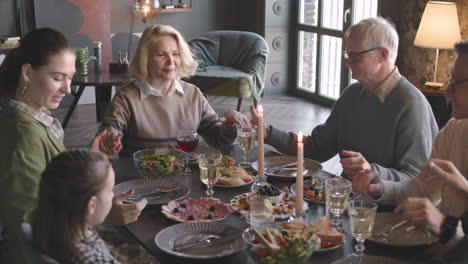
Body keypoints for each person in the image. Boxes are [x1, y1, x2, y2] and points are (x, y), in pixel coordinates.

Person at [0, 28, 145, 262]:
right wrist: (105, 214)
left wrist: (91, 157)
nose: (68, 89)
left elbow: (51, 183)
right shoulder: (22, 135)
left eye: (69, 77)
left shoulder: (27, 117)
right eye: (57, 78)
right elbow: (29, 221)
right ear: (27, 72)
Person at [250, 17, 438, 183]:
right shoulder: (352, 95)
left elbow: (418, 180)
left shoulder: (410, 104)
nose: (347, 63)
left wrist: (373, 172)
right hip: (348, 198)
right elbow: (315, 150)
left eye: (355, 57)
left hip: (389, 212)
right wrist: (267, 133)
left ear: (383, 55)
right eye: (347, 55)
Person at [353, 39, 468, 240]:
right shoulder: (454, 131)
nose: (447, 92)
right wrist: (380, 187)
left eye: (455, 83)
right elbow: (422, 190)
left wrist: (443, 225)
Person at [98, 24, 250, 155]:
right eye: (161, 54)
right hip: (142, 181)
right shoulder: (125, 98)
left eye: (176, 54)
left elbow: (217, 139)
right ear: (145, 58)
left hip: (186, 178)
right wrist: (109, 141)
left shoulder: (193, 94)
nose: (171, 61)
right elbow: (108, 137)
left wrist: (229, 125)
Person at [32, 149, 154, 264]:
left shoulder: (51, 224)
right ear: (92, 205)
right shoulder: (92, 259)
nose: (113, 196)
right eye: (110, 190)